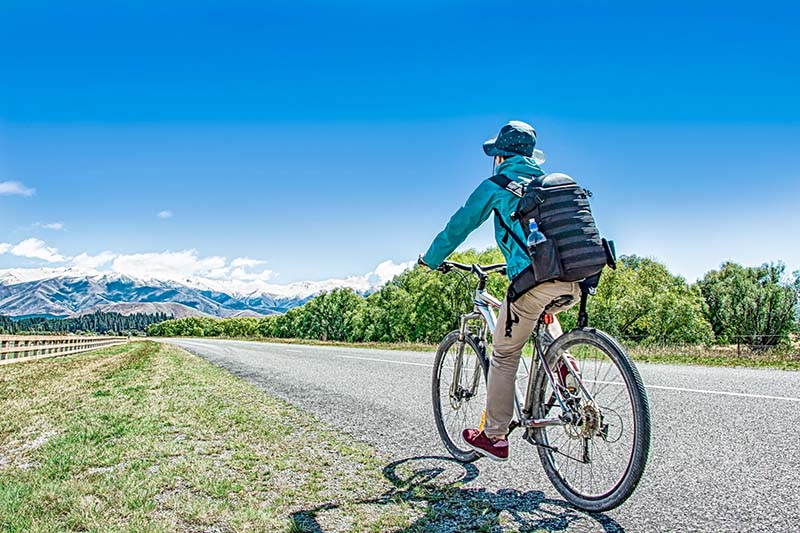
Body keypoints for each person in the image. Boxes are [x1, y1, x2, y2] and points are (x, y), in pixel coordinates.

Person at [419, 120, 581, 462]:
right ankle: (564, 363)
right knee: (542, 311)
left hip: (533, 280)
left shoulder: (498, 185)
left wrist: (431, 259)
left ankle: (494, 436)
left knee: (505, 353)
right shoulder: (550, 185)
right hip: (574, 278)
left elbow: (459, 225)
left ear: (500, 156)